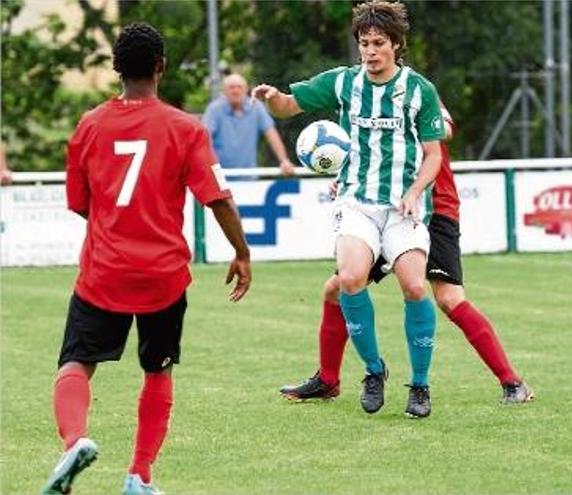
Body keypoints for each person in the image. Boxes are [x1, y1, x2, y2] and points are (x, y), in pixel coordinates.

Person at [42, 23, 252, 495]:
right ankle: (139, 477)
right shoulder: (185, 127)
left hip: (103, 272)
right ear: (161, 66)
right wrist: (241, 252)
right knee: (158, 369)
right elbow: (217, 198)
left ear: (116, 68)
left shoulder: (90, 125)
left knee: (76, 363)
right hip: (162, 276)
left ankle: (74, 442)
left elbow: (79, 202)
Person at [254, 0, 444, 418]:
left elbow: (434, 155)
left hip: (401, 207)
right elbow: (288, 106)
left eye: (379, 43)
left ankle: (421, 385)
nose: (371, 51)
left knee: (415, 286)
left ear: (396, 44)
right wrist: (271, 98)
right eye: (364, 43)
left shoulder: (418, 90)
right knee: (350, 279)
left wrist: (415, 191)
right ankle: (374, 371)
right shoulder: (343, 83)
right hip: (356, 203)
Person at [279, 103, 534, 406]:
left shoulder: (416, 91)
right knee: (336, 290)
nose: (371, 55)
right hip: (381, 209)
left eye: (378, 51)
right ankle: (328, 380)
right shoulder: (362, 98)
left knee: (449, 299)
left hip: (434, 209)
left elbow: (445, 130)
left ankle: (512, 382)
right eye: (366, 52)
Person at [202, 73, 296, 178]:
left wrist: (284, 160)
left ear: (246, 89)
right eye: (231, 87)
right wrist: (205, 165)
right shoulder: (214, 109)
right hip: (219, 178)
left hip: (248, 176)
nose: (235, 91)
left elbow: (271, 134)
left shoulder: (256, 107)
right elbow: (205, 138)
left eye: (239, 87)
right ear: (224, 91)